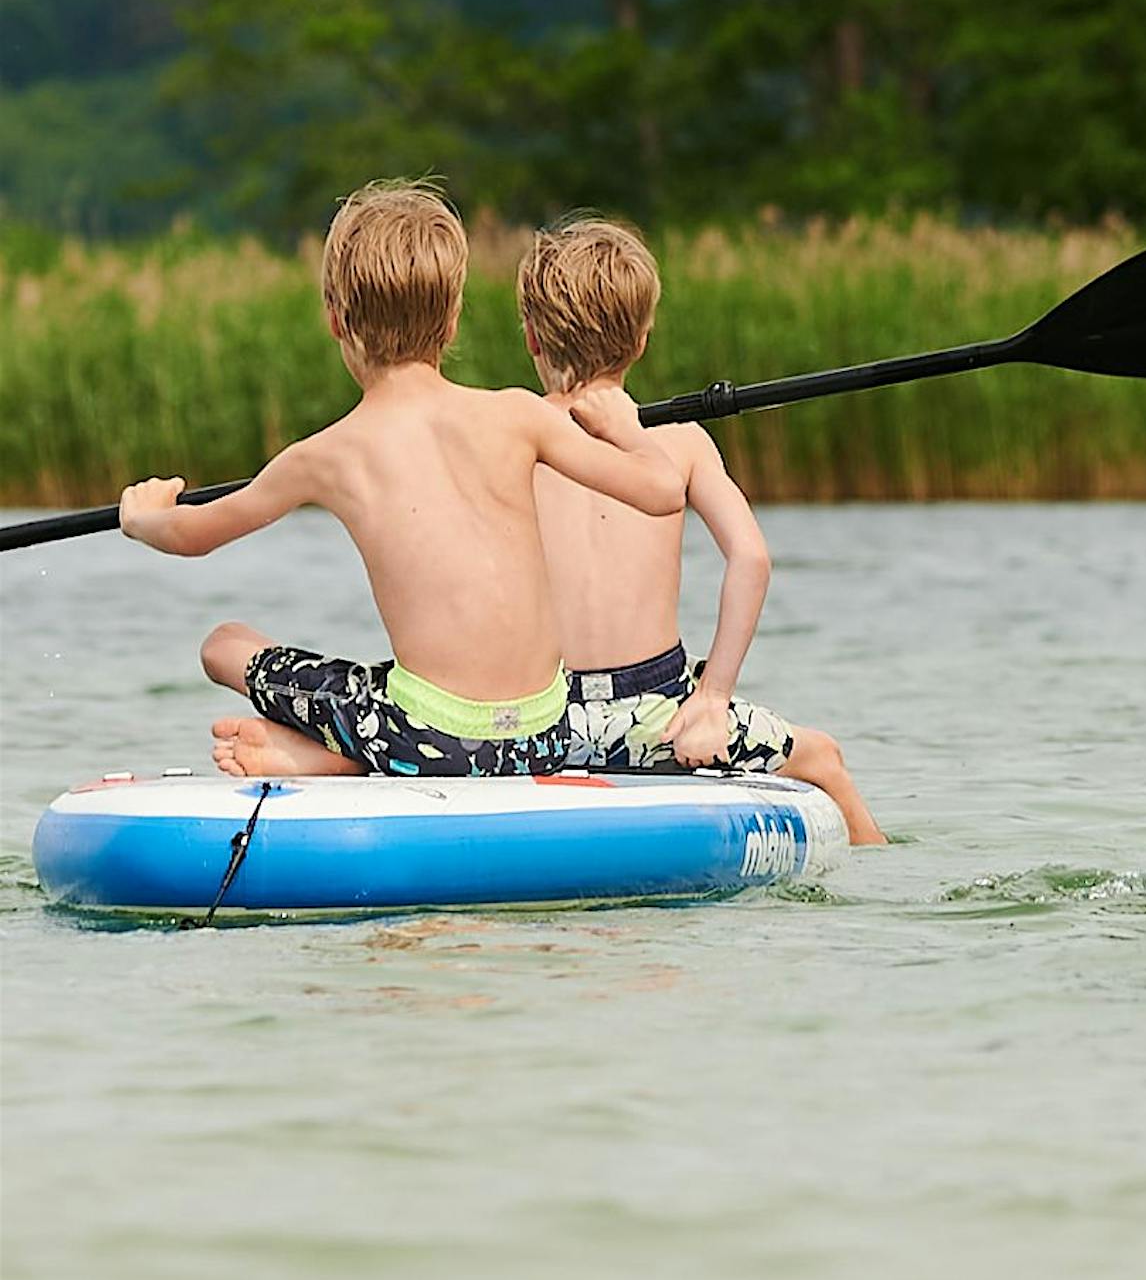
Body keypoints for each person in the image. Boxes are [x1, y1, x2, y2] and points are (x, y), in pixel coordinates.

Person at [116, 180, 685, 778]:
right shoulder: (520, 413)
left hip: (432, 738)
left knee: (225, 644)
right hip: (544, 734)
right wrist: (628, 427)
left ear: (336, 321)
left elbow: (192, 535)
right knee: (405, 688)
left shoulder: (328, 454)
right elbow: (664, 490)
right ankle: (354, 753)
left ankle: (337, 757)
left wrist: (144, 516)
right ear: (453, 320)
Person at [516, 217, 886, 844]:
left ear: (530, 337)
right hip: (661, 719)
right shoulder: (680, 443)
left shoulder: (511, 440)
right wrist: (711, 698)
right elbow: (752, 559)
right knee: (824, 759)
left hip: (537, 720)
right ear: (642, 339)